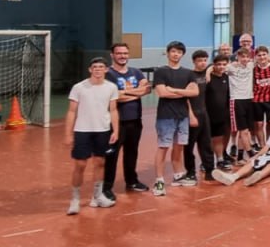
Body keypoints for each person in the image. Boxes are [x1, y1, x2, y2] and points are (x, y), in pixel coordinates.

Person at [65, 58, 119, 214]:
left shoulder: (111, 87)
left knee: (100, 163)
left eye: (101, 67)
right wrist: (68, 134)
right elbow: (71, 111)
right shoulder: (79, 87)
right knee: (80, 165)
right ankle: (75, 200)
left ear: (106, 70)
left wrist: (115, 130)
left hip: (102, 131)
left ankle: (97, 196)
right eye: (95, 67)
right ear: (90, 69)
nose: (98, 69)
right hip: (82, 131)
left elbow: (113, 110)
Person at [152, 40, 199, 196]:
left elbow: (194, 92)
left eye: (179, 52)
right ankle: (159, 181)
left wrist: (173, 90)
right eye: (173, 51)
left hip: (182, 116)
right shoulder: (160, 71)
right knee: (163, 147)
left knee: (179, 146)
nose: (176, 54)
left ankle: (178, 175)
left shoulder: (188, 73)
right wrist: (183, 92)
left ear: (182, 54)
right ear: (168, 53)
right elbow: (162, 93)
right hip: (166, 116)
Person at [103, 42, 149, 198]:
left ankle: (132, 181)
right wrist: (136, 93)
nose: (122, 56)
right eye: (119, 53)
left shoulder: (136, 72)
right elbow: (113, 97)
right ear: (112, 55)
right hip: (115, 123)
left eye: (125, 53)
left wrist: (124, 93)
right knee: (112, 155)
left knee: (131, 152)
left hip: (135, 120)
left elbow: (147, 89)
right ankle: (107, 187)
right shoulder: (108, 74)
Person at [211, 110, 270, 187]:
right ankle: (233, 177)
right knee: (253, 162)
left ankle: (258, 176)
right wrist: (256, 156)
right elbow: (266, 147)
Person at [182, 50, 217, 183]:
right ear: (194, 61)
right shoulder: (189, 75)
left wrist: (208, 71)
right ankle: (190, 172)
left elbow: (219, 65)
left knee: (206, 143)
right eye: (200, 61)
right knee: (189, 145)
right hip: (193, 113)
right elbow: (185, 97)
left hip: (204, 113)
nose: (203, 63)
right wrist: (190, 115)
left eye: (205, 60)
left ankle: (209, 170)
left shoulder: (208, 73)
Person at [226, 46, 256, 161]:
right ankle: (251, 154)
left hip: (249, 99)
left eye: (247, 57)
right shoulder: (230, 67)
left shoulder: (250, 65)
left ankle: (239, 156)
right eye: (242, 57)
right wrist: (208, 73)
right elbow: (213, 68)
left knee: (246, 130)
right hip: (236, 100)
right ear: (237, 57)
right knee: (243, 130)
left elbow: (265, 58)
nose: (245, 59)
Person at [205, 53, 233, 171]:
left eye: (224, 64)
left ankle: (220, 159)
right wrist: (208, 71)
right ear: (214, 65)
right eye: (218, 64)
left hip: (222, 114)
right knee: (208, 140)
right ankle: (207, 161)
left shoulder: (226, 78)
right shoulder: (208, 78)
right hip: (208, 114)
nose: (221, 66)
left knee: (219, 138)